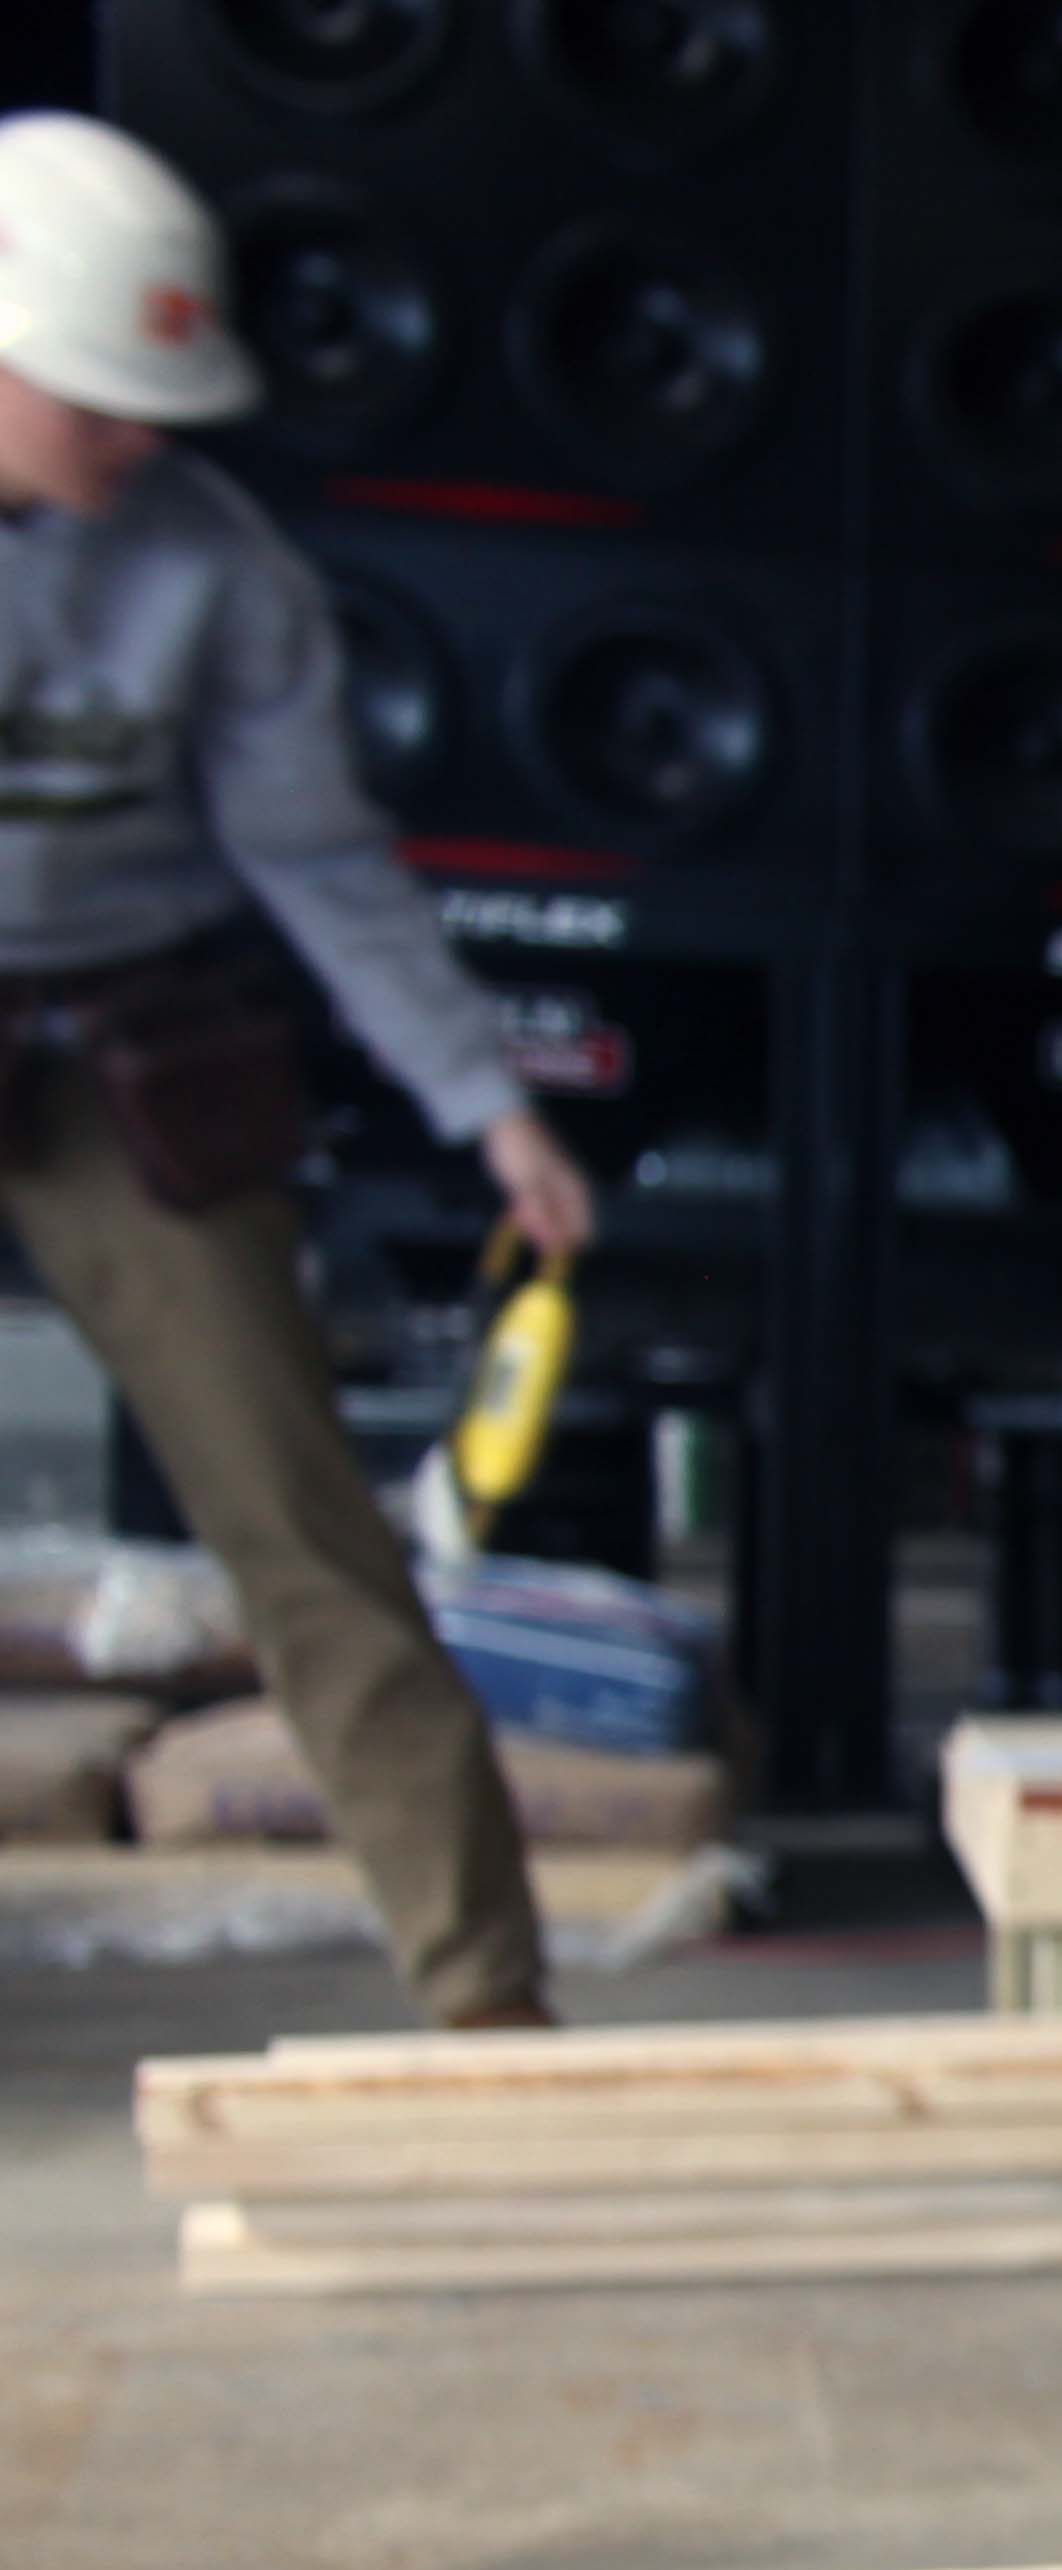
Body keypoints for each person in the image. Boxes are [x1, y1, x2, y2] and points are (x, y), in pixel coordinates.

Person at [0, 110, 594, 2032]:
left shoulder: (212, 567)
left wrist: (488, 1107)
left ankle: (489, 2009)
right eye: (100, 394)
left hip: (119, 1042)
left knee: (301, 1525)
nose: (141, 435)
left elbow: (324, 865)